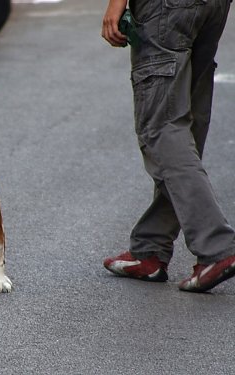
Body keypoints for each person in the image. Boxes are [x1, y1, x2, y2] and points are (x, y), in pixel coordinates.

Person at [101, 0, 235, 292]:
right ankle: (151, 246)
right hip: (215, 6)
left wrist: (116, 4)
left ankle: (217, 246)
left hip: (167, 8)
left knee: (162, 129)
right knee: (186, 122)